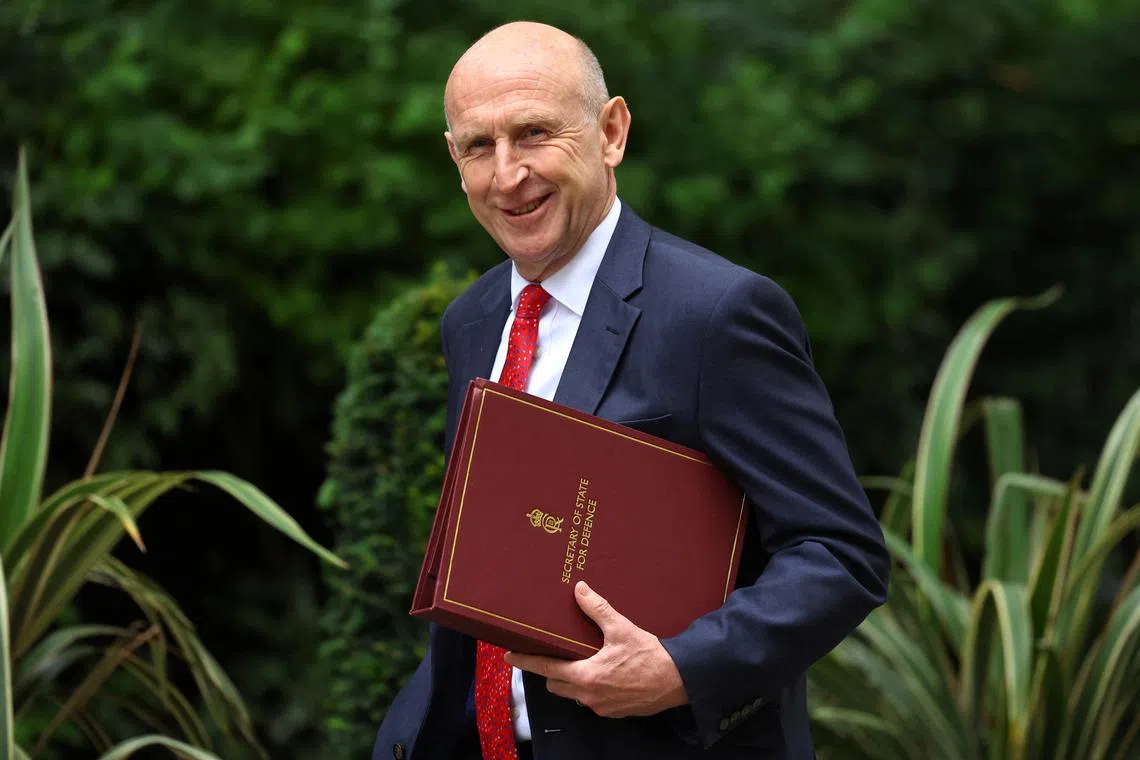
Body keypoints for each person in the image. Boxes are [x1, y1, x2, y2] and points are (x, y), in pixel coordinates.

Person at [373, 20, 889, 760]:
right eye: (479, 146)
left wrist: (681, 668)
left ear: (611, 132)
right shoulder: (472, 320)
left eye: (534, 133)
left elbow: (840, 553)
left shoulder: (717, 314)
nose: (508, 173)